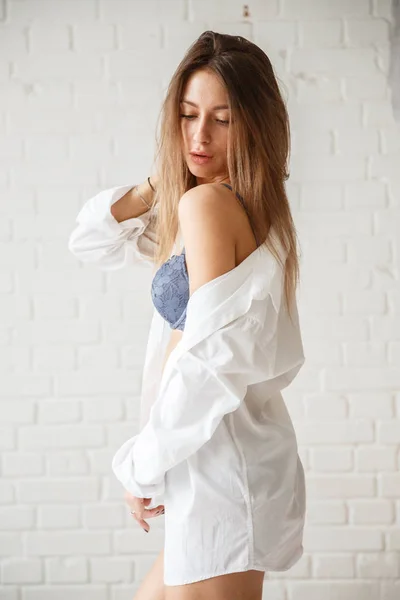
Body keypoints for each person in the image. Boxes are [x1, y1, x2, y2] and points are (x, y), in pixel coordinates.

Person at [68, 30, 306, 600]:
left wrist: (142, 465)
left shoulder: (209, 206)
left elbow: (206, 362)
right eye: (187, 114)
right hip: (217, 462)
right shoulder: (234, 204)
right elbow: (91, 241)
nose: (199, 136)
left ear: (254, 124)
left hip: (222, 473)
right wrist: (163, 179)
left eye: (222, 120)